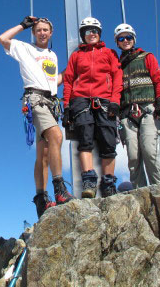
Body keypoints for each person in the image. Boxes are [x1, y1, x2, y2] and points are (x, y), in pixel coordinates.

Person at [0, 16, 73, 219]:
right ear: (34, 32)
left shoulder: (53, 55)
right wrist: (23, 25)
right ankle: (60, 190)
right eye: (38, 30)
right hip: (35, 99)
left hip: (50, 102)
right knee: (56, 136)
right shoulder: (25, 49)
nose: (42, 33)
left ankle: (41, 199)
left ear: (51, 33)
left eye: (45, 30)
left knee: (45, 152)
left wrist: (68, 73)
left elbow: (52, 81)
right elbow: (2, 38)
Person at [62, 17, 123, 198]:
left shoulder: (109, 53)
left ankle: (109, 182)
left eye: (95, 31)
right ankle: (89, 180)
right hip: (81, 100)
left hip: (104, 100)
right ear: (83, 35)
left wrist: (115, 101)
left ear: (100, 34)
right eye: (88, 31)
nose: (92, 34)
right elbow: (68, 81)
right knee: (85, 141)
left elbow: (117, 77)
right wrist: (67, 106)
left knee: (108, 142)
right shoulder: (77, 55)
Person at [114, 23, 160, 188]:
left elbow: (158, 79)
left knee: (150, 152)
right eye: (121, 38)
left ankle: (159, 191)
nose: (125, 41)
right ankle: (140, 194)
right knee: (133, 157)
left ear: (134, 39)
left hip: (148, 109)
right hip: (127, 114)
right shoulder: (117, 65)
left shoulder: (146, 57)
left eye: (128, 37)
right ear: (117, 42)